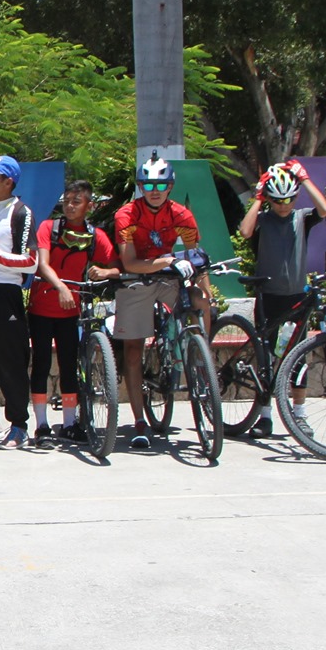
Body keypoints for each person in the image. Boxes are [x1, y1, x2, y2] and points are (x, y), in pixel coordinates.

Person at [0, 156, 63, 447]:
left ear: (8, 182)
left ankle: (18, 424)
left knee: (10, 361)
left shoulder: (20, 212)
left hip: (4, 294)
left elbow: (31, 262)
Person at [113, 152, 205, 450]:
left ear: (170, 186)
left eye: (160, 185)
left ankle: (200, 357)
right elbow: (129, 263)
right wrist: (166, 259)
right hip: (136, 279)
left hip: (167, 277)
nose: (154, 190)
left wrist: (205, 290)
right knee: (133, 350)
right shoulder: (126, 215)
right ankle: (140, 421)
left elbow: (195, 255)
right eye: (148, 185)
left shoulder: (181, 214)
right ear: (140, 186)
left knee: (202, 302)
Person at [237, 160, 326, 438]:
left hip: (295, 297)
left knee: (298, 358)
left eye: (289, 199)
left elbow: (324, 210)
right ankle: (264, 417)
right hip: (268, 296)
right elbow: (244, 231)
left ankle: (299, 414)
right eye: (277, 201)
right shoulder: (264, 220)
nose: (283, 205)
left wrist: (304, 179)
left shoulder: (301, 218)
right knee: (265, 357)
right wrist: (258, 197)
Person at [30, 179, 123, 442]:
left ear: (89, 206)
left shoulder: (96, 236)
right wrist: (61, 288)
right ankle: (42, 426)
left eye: (76, 202)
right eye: (67, 201)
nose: (69, 207)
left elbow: (118, 267)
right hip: (42, 308)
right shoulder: (49, 227)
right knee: (41, 364)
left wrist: (104, 271)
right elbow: (42, 265)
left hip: (72, 313)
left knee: (69, 366)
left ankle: (70, 424)